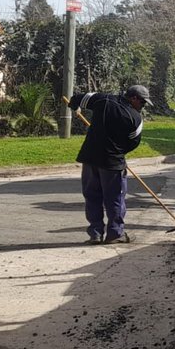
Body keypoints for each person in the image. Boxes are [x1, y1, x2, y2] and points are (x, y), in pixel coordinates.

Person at [70, 85, 149, 244]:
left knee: (92, 196)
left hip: (91, 158)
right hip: (112, 163)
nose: (143, 106)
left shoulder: (103, 99)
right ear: (133, 98)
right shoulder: (135, 118)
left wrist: (75, 107)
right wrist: (119, 152)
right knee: (115, 199)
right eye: (142, 102)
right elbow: (133, 143)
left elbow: (76, 99)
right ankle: (115, 234)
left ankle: (95, 233)